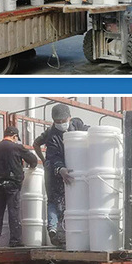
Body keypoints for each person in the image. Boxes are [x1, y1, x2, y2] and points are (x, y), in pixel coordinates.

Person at [33, 103, 89, 246]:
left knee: (68, 201)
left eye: (63, 121)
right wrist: (58, 168)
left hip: (74, 169)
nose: (61, 124)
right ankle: (55, 230)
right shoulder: (52, 135)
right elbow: (54, 157)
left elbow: (88, 132)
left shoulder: (77, 125)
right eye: (57, 122)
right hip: (56, 170)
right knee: (55, 199)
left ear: (69, 117)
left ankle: (60, 231)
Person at [0, 126, 38, 248]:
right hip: (12, 184)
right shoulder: (17, 147)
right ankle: (15, 241)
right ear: (14, 136)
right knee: (13, 212)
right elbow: (33, 160)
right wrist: (31, 167)